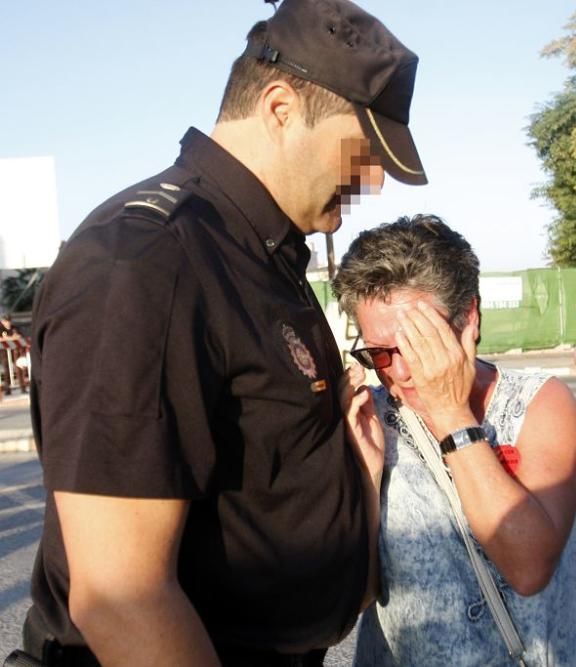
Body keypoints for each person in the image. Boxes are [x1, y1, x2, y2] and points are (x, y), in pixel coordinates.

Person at [20, 1, 427, 665]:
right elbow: (122, 599)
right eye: (365, 148)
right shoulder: (150, 260)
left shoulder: (260, 257)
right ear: (279, 107)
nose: (375, 179)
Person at [333, 215, 576, 666]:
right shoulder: (370, 419)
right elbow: (355, 596)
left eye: (420, 344)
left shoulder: (538, 405)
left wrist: (453, 415)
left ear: (469, 318)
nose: (401, 372)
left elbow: (530, 568)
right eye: (379, 353)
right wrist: (369, 477)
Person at [0, 315, 28, 395]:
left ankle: (23, 387)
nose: (8, 323)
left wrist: (10, 338)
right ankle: (7, 389)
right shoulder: (0, 328)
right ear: (2, 321)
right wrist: (11, 338)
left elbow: (19, 336)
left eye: (9, 321)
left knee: (19, 367)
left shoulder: (14, 327)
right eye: (6, 321)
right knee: (7, 370)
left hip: (15, 351)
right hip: (4, 352)